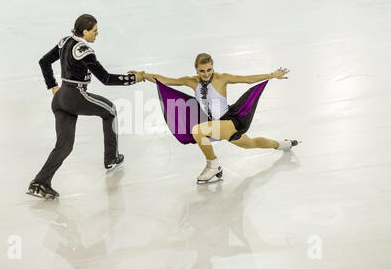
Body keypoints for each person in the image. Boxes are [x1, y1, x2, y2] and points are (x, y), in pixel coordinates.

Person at [28, 14, 144, 199]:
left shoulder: (64, 41)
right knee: (110, 110)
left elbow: (44, 61)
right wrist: (134, 79)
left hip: (60, 99)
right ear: (85, 31)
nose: (97, 34)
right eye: (95, 31)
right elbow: (106, 79)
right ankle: (111, 159)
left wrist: (52, 86)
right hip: (75, 96)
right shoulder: (84, 50)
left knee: (64, 146)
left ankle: (40, 182)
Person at [136, 53, 299, 184]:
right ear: (196, 70)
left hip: (229, 122)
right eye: (202, 71)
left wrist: (272, 75)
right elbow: (166, 80)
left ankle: (213, 164)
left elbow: (247, 79)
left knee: (197, 130)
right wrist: (143, 75)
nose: (206, 74)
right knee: (250, 144)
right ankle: (282, 144)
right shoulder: (192, 82)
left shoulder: (222, 78)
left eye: (209, 69)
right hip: (216, 126)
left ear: (213, 67)